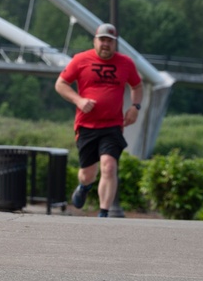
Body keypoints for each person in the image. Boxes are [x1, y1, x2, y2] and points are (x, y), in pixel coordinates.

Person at [54, 23, 143, 218]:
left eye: (109, 41)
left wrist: (135, 107)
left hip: (112, 125)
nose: (105, 44)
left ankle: (104, 213)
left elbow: (137, 86)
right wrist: (79, 100)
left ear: (115, 44)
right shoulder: (81, 60)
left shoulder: (125, 63)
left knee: (109, 166)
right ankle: (84, 187)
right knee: (88, 174)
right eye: (102, 40)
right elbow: (60, 84)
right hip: (86, 125)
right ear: (95, 41)